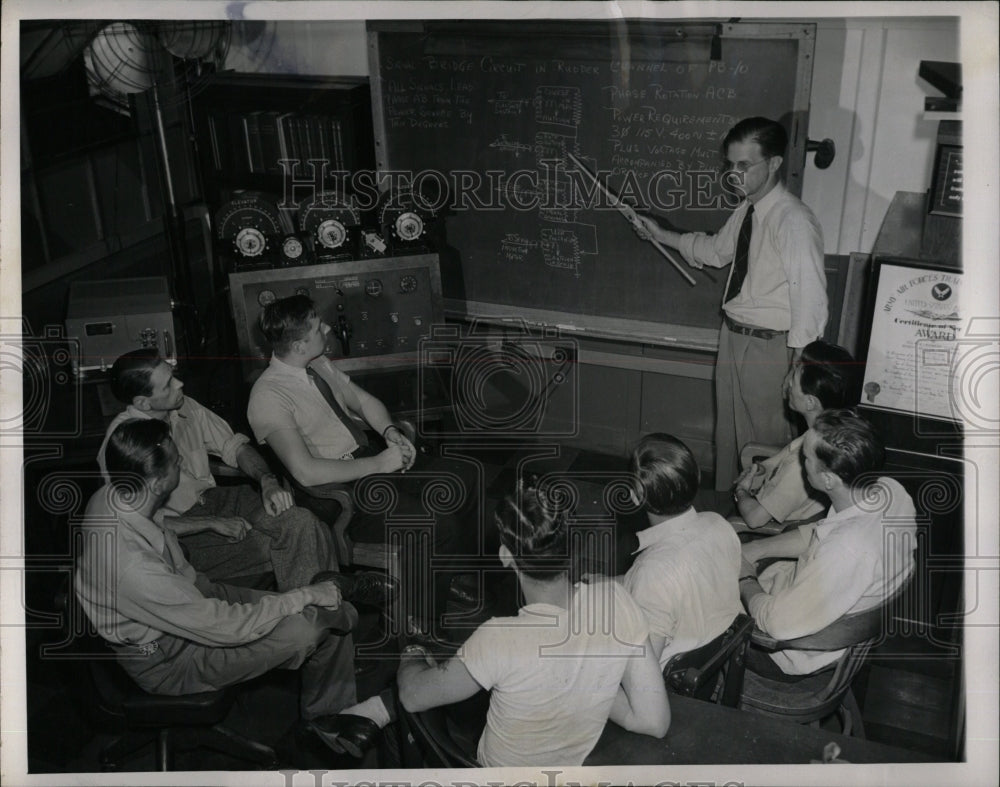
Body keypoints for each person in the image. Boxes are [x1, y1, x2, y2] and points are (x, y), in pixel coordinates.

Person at [77, 418, 399, 758]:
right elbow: (227, 627)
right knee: (314, 624)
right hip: (171, 658)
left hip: (192, 595)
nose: (183, 462)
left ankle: (327, 718)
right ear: (157, 483)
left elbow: (161, 536)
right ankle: (336, 600)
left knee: (329, 610)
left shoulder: (118, 493)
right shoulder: (132, 567)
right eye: (176, 461)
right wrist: (302, 595)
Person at [396, 480, 670, 767]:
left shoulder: (497, 639)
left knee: (400, 719)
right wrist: (591, 677)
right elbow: (654, 722)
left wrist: (411, 655)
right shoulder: (618, 600)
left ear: (506, 557)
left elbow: (413, 697)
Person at [246, 295, 474, 639]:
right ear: (298, 344)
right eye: (317, 326)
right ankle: (419, 621)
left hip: (366, 459)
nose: (326, 327)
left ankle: (445, 576)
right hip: (336, 492)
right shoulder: (268, 396)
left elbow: (363, 401)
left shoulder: (317, 363)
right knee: (436, 524)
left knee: (464, 477)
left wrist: (390, 432)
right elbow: (306, 472)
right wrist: (379, 463)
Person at [635, 116, 827, 491]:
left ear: (773, 163)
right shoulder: (748, 210)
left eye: (744, 165)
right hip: (734, 338)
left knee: (765, 446)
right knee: (732, 441)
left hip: (771, 347)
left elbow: (811, 301)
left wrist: (799, 370)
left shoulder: (793, 221)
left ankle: (762, 529)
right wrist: (662, 234)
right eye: (730, 164)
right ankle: (733, 515)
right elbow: (716, 250)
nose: (733, 174)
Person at [97, 348, 339, 591]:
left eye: (174, 376)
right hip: (182, 532)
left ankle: (315, 618)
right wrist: (210, 522)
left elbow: (234, 446)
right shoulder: (122, 443)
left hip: (221, 500)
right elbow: (133, 524)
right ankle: (313, 620)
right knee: (303, 539)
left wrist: (267, 481)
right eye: (168, 385)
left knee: (305, 523)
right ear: (142, 402)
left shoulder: (184, 406)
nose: (180, 384)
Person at [738, 409, 917, 677]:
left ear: (828, 479)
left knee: (695, 604)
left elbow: (775, 625)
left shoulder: (847, 550)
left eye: (805, 458)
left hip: (791, 652)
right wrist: (758, 549)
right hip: (817, 604)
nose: (801, 463)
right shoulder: (890, 491)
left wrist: (744, 578)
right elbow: (823, 532)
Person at [621, 433, 742, 669]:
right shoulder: (718, 524)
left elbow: (645, 672)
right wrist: (616, 584)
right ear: (694, 478)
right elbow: (684, 581)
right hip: (713, 646)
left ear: (635, 497)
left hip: (673, 676)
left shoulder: (651, 571)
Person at [731, 340, 858, 534]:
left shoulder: (805, 462)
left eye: (794, 377)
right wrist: (759, 472)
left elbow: (755, 519)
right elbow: (775, 464)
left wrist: (741, 491)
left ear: (810, 402)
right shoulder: (830, 433)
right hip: (761, 496)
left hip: (764, 531)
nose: (788, 381)